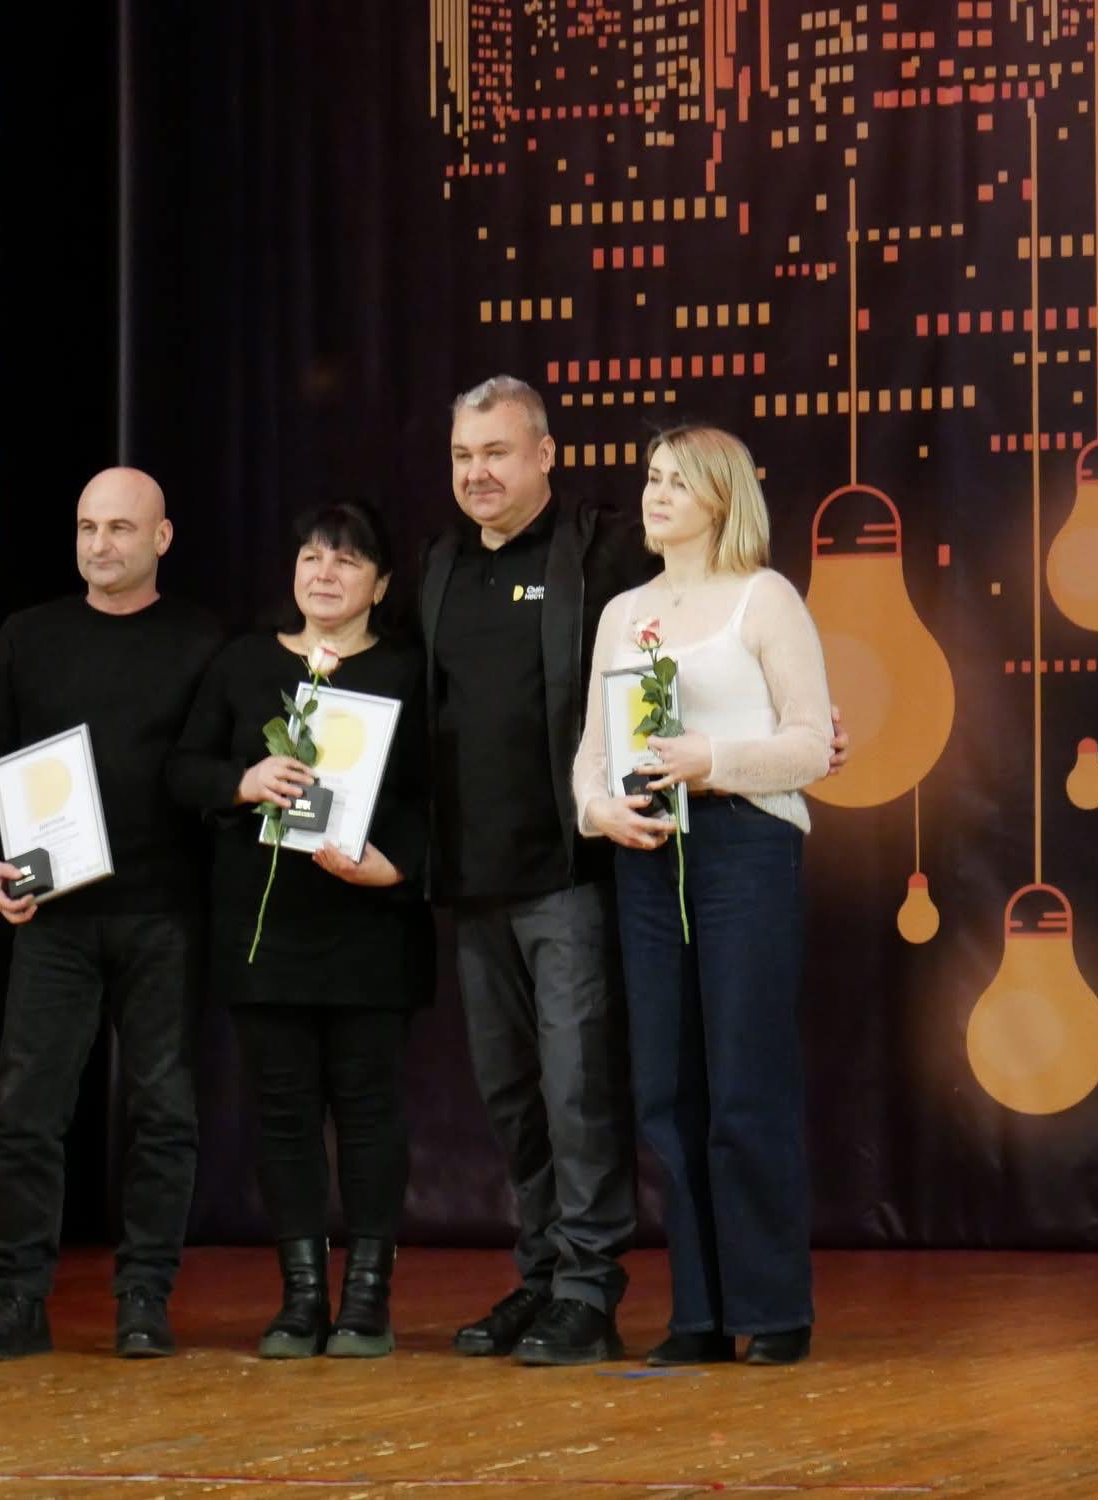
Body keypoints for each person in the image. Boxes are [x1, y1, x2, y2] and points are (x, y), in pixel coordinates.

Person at [573, 424, 831, 1367]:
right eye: (651, 477)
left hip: (743, 847)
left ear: (723, 498)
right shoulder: (623, 611)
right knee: (665, 1088)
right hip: (647, 849)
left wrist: (711, 760)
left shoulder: (765, 598)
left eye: (678, 482)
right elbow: (591, 753)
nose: (655, 494)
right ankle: (699, 1315)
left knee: (743, 1081)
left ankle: (772, 1307)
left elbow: (809, 743)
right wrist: (599, 811)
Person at [0, 466, 221, 1362]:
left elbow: (214, 772)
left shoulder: (203, 640)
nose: (99, 545)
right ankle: (17, 1301)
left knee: (163, 1114)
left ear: (161, 538)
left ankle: (144, 1296)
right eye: (86, 528)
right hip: (53, 916)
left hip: (165, 914)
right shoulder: (30, 637)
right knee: (28, 1113)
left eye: (119, 528)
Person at [420, 375, 655, 1365]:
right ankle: (543, 1274)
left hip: (568, 877)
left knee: (576, 1094)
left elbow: (689, 628)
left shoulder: (603, 550)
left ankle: (589, 1290)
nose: (477, 473)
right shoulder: (438, 566)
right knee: (513, 1098)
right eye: (462, 456)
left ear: (546, 454)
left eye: (496, 453)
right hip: (470, 884)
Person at [167, 501, 432, 1360]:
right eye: (312, 556)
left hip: (369, 923)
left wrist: (400, 865)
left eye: (347, 561)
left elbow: (443, 791)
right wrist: (242, 782)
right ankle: (301, 1298)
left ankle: (367, 1301)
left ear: (380, 585)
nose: (325, 573)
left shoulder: (408, 669)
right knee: (282, 1114)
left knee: (368, 1112)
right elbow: (182, 769)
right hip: (265, 927)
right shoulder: (244, 662)